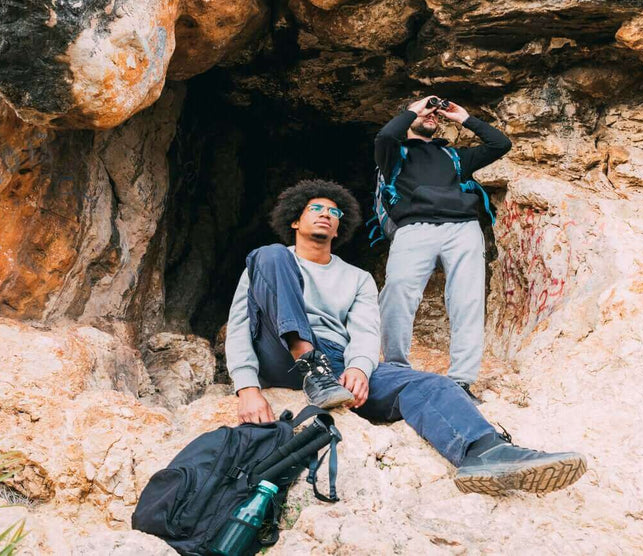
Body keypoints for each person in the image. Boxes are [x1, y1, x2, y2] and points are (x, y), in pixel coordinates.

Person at [225, 179, 586, 495]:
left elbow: (366, 331)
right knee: (268, 255)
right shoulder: (267, 262)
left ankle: (484, 452)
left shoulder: (358, 278)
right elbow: (241, 324)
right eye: (314, 208)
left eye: (333, 212)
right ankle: (309, 365)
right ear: (294, 220)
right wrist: (247, 389)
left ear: (339, 228)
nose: (324, 214)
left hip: (335, 361)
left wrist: (361, 369)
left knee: (433, 385)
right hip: (280, 354)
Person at [375, 96, 512, 403]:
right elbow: (385, 135)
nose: (432, 116)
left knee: (468, 300)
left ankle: (462, 381)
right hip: (414, 227)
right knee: (397, 291)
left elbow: (500, 144)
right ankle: (395, 367)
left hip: (462, 227)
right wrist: (415, 109)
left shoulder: (453, 156)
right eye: (427, 112)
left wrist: (463, 118)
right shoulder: (394, 154)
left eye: (435, 114)